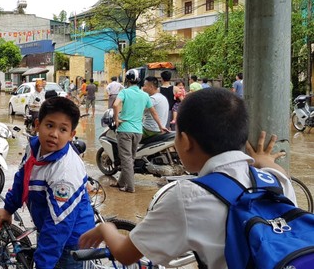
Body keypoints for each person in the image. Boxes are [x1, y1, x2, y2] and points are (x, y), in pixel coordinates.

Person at [78, 88, 296, 268]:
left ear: (185, 140)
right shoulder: (276, 182)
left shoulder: (187, 197)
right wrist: (262, 159)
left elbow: (126, 255)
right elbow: (277, 170)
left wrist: (106, 228)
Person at [0, 96, 94, 269]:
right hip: (49, 226)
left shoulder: (64, 172)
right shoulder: (34, 147)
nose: (54, 134)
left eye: (63, 129)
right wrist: (8, 208)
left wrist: (42, 265)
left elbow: (57, 229)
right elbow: (22, 178)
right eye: (49, 125)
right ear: (37, 124)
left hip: (71, 241)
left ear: (72, 135)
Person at [112, 69, 168, 193]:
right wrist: (161, 126)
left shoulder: (124, 92)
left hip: (125, 130)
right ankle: (121, 182)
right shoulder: (144, 95)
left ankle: (130, 187)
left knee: (126, 158)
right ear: (139, 81)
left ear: (127, 80)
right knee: (130, 158)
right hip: (138, 131)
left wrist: (116, 119)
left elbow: (115, 105)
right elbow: (153, 112)